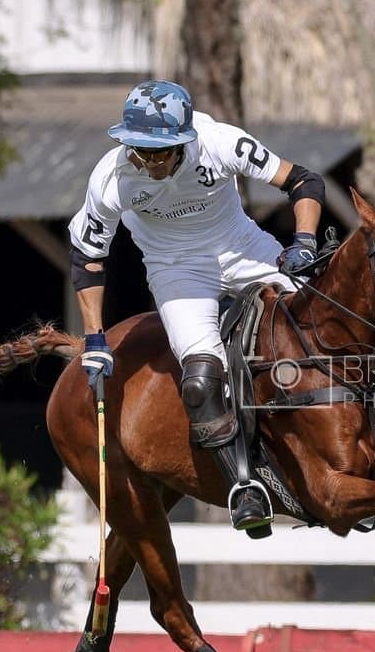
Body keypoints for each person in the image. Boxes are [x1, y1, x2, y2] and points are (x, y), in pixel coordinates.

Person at [68, 79, 324, 532]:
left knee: (317, 327)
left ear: (185, 140)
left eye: (160, 152)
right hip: (176, 269)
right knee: (201, 380)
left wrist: (303, 241)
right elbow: (88, 258)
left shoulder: (221, 142)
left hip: (242, 247)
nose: (149, 163)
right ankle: (244, 487)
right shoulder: (110, 180)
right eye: (139, 151)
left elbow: (303, 180)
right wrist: (94, 336)